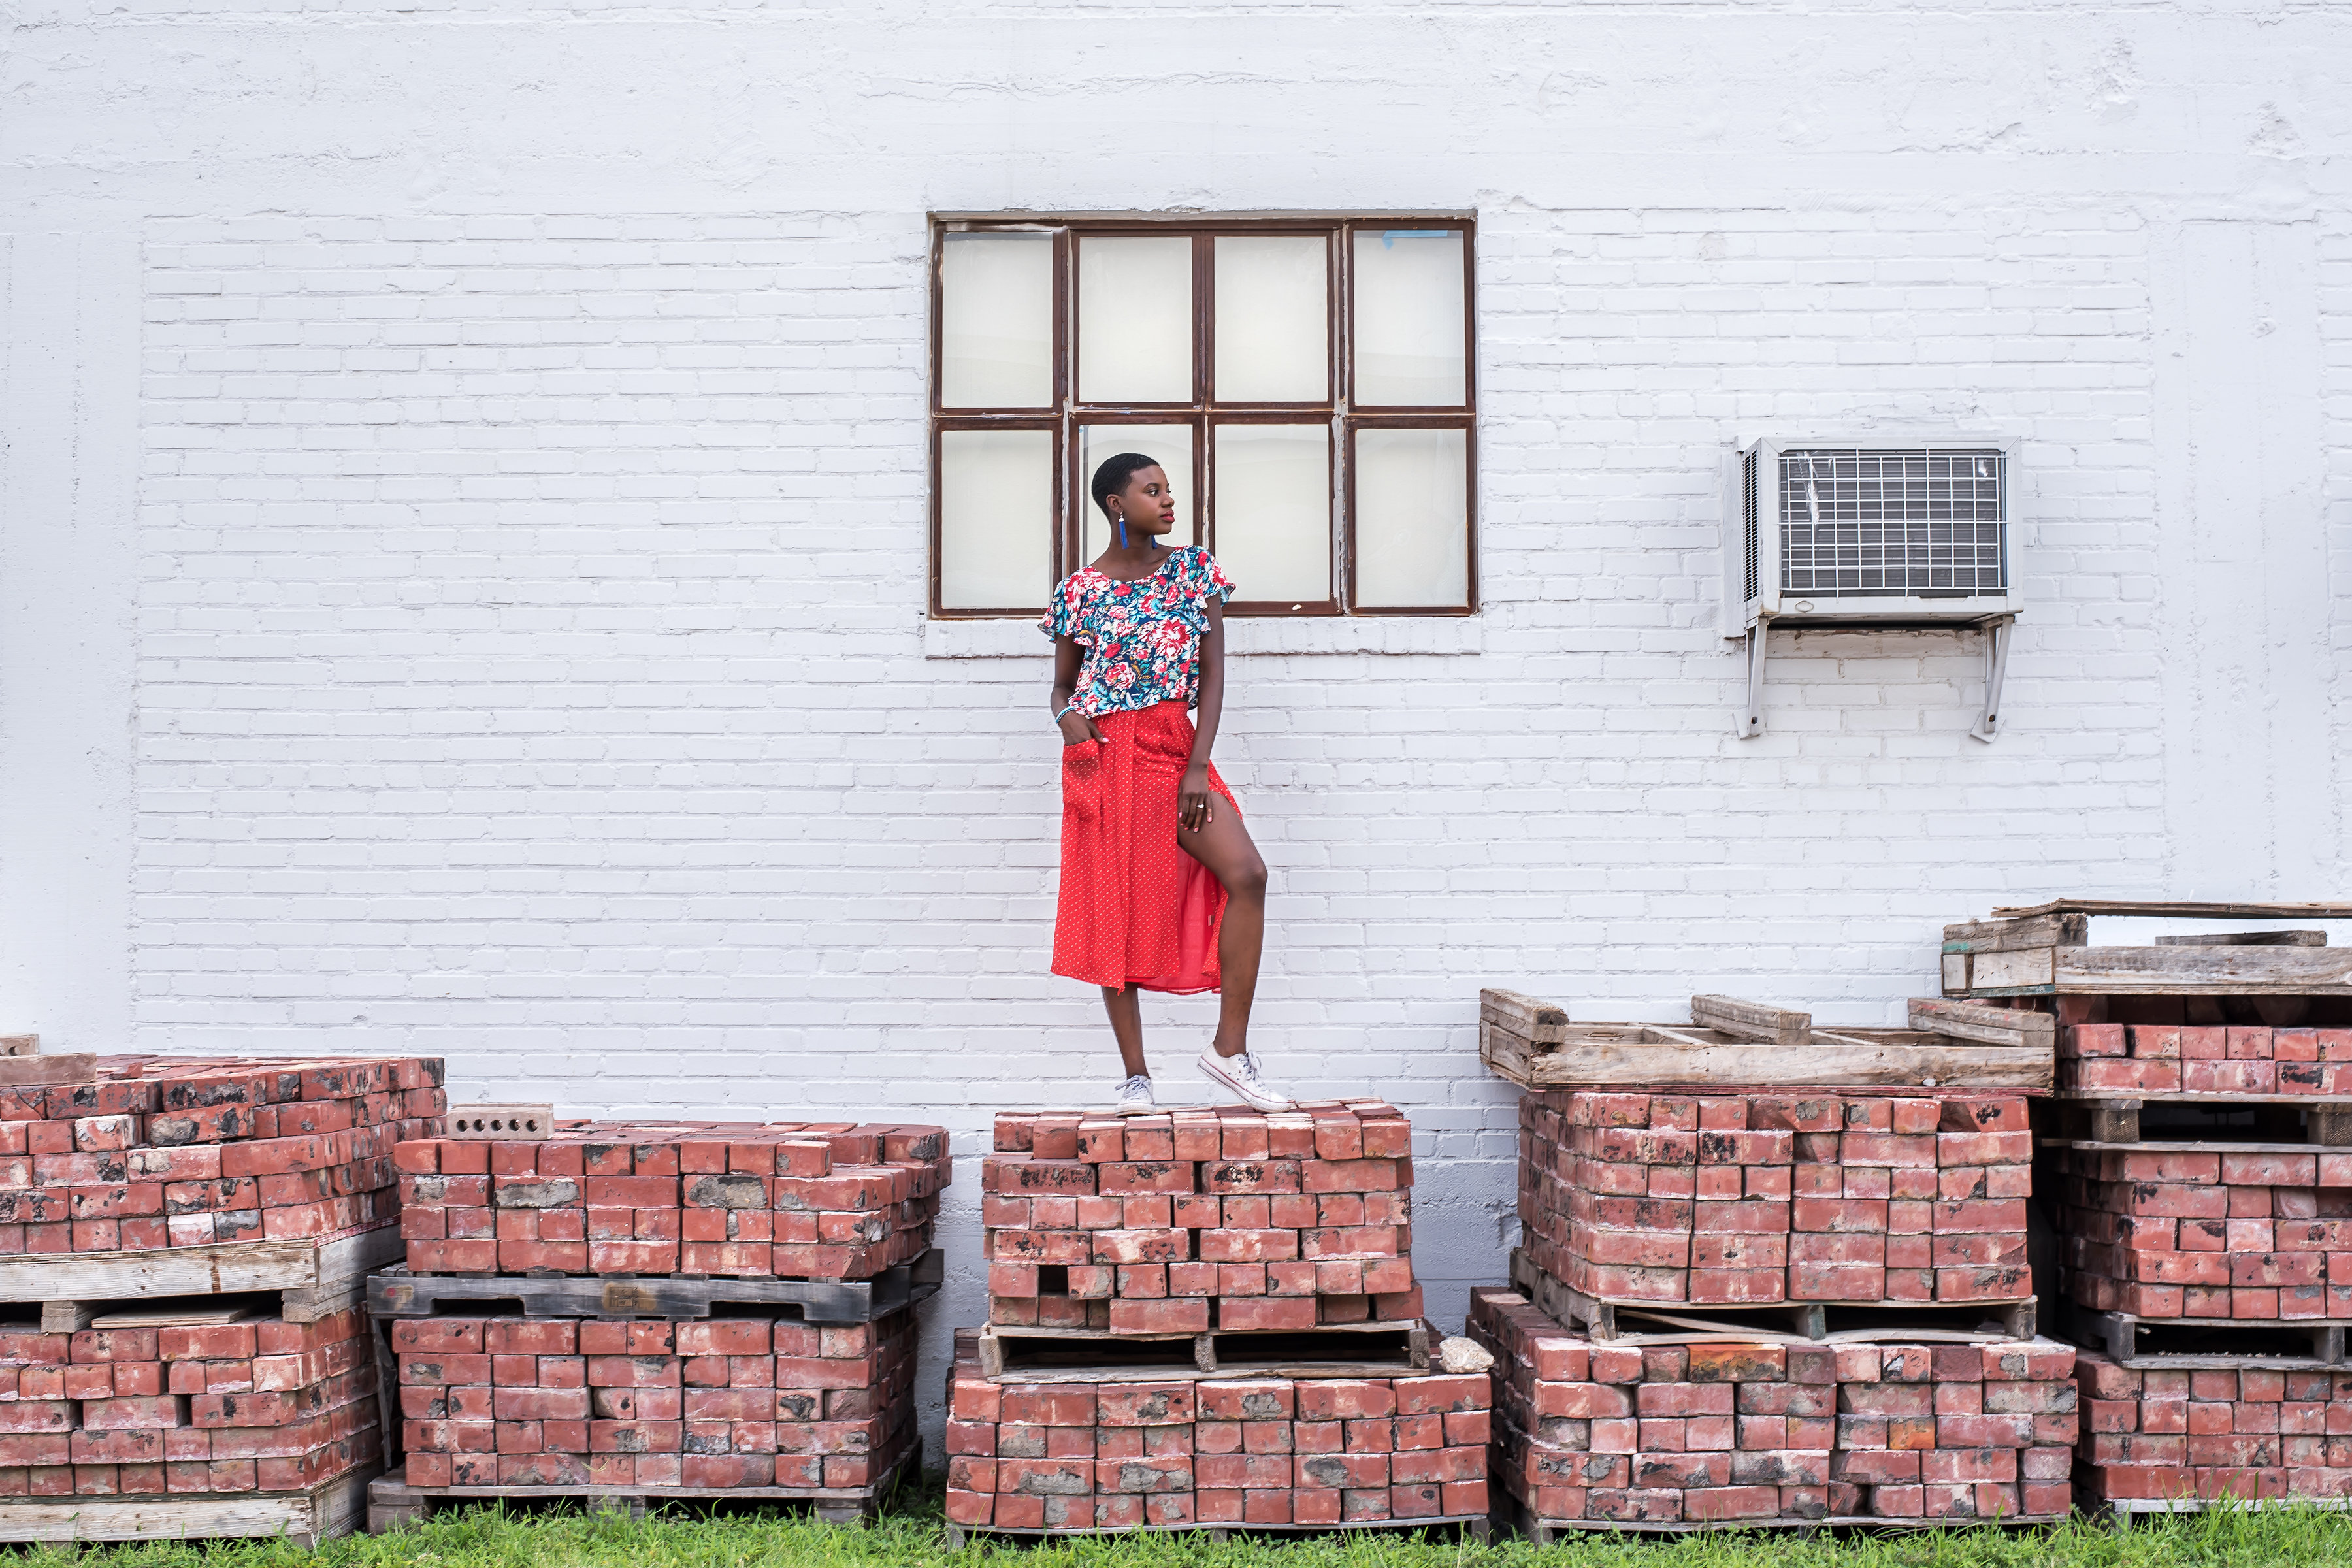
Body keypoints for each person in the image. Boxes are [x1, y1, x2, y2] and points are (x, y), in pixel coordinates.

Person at [1042, 452, 1293, 1113]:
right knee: (1113, 910)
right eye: (1152, 491)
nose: (1168, 500)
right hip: (1105, 752)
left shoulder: (1192, 570)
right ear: (1116, 504)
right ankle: (1136, 1077)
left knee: (1248, 875)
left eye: (1169, 490)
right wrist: (1070, 720)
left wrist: (1198, 765)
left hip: (1173, 745)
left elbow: (1213, 674)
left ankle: (1228, 1051)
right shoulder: (1081, 591)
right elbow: (1062, 686)